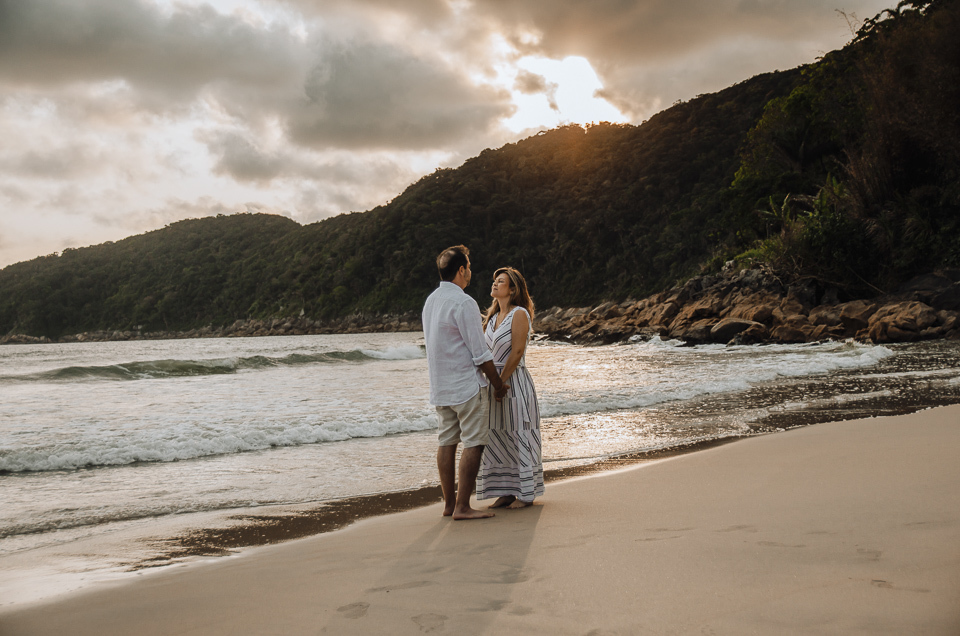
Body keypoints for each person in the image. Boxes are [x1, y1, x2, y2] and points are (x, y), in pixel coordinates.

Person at [422, 245, 508, 520]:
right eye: (468, 267)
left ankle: (449, 505)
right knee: (474, 443)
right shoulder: (464, 302)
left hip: (441, 387)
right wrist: (497, 383)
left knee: (446, 442)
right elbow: (480, 352)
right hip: (466, 387)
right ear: (461, 270)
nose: (470, 271)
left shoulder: (431, 301)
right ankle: (462, 506)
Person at [476, 267, 544, 509]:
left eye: (501, 281)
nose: (495, 284)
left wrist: (502, 381)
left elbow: (517, 351)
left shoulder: (520, 313)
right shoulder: (492, 319)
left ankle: (526, 492)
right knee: (497, 435)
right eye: (495, 280)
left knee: (518, 431)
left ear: (512, 289)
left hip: (513, 382)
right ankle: (505, 491)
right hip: (496, 383)